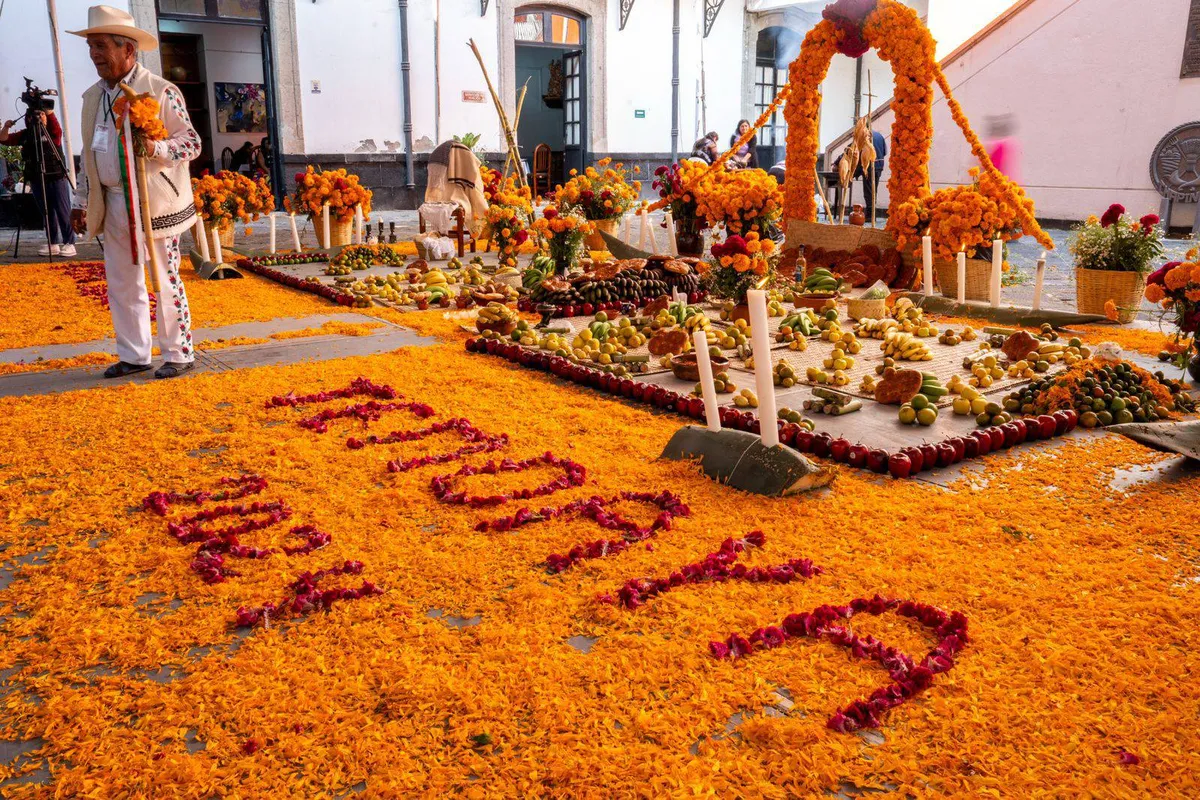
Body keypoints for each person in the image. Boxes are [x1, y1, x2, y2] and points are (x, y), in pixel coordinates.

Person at [68, 5, 201, 380]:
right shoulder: (92, 97)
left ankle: (179, 352)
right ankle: (134, 354)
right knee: (123, 282)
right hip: (111, 202)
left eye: (102, 46)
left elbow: (191, 143)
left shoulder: (161, 90)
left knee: (165, 276)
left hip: (156, 201)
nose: (95, 55)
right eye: (91, 47)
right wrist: (81, 199)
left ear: (129, 50)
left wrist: (157, 148)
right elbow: (88, 154)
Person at [1, 109, 78, 256]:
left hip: (56, 177)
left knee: (63, 211)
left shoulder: (52, 132)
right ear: (28, 118)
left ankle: (69, 243)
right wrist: (6, 127)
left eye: (42, 114)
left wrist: (45, 106)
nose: (39, 117)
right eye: (35, 115)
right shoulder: (25, 134)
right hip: (37, 179)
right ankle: (53, 243)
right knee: (47, 213)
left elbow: (54, 121)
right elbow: (4, 139)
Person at [860, 128, 887, 218]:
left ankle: (870, 216)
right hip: (879, 165)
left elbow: (855, 150)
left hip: (870, 166)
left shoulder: (864, 136)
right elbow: (885, 152)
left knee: (868, 191)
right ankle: (873, 214)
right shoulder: (879, 136)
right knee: (874, 190)